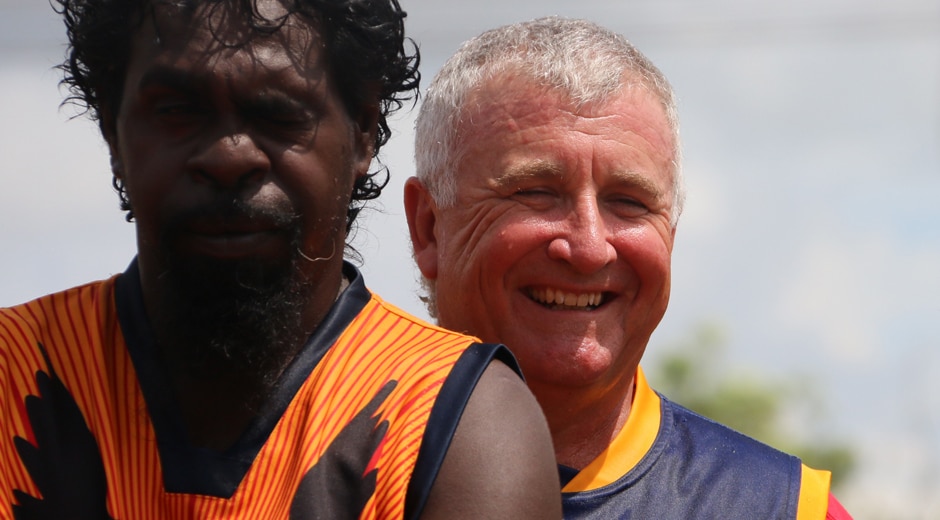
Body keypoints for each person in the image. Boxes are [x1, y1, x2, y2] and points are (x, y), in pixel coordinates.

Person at [0, 1, 562, 519]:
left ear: (363, 132)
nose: (229, 156)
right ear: (111, 129)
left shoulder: (457, 422)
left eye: (277, 112)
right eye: (177, 109)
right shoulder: (12, 372)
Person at [405, 16, 852, 519]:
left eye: (630, 202)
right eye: (535, 192)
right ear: (428, 227)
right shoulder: (322, 466)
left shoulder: (782, 509)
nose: (590, 247)